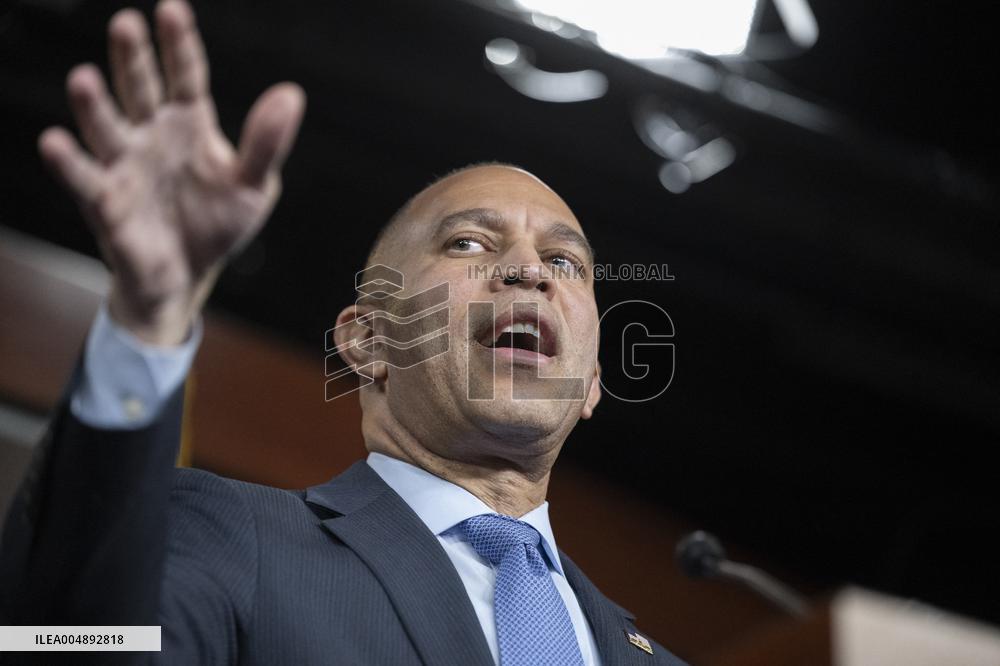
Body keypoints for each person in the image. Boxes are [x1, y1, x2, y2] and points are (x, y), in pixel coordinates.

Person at [0, 1, 687, 664]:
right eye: (471, 244)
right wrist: (147, 322)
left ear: (593, 380)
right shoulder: (232, 538)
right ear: (368, 341)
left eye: (564, 262)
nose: (528, 271)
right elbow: (59, 641)